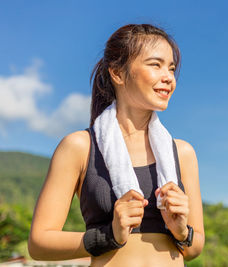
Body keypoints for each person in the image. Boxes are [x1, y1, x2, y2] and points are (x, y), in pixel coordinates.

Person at [28, 24, 204, 266]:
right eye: (156, 64)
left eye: (171, 68)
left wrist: (182, 231)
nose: (169, 77)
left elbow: (195, 248)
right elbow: (39, 243)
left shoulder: (182, 153)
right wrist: (108, 236)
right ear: (118, 73)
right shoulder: (79, 147)